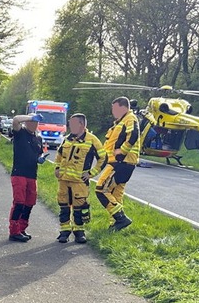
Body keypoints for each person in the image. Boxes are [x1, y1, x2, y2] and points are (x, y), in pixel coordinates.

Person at [53, 113, 108, 243]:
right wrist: (57, 168)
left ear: (82, 125)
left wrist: (91, 173)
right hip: (64, 180)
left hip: (80, 182)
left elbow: (103, 158)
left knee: (80, 208)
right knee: (64, 207)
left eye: (73, 124)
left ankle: (79, 232)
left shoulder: (92, 140)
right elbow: (59, 155)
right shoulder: (67, 139)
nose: (70, 126)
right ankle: (64, 232)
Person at [93, 97, 139, 230]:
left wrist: (121, 152)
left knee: (101, 189)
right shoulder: (120, 122)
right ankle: (115, 225)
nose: (113, 111)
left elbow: (134, 134)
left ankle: (121, 218)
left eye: (115, 108)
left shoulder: (130, 118)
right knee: (115, 194)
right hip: (122, 163)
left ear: (123, 107)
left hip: (120, 162)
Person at [8, 114, 46, 242]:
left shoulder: (38, 138)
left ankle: (22, 228)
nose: (34, 125)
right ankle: (14, 231)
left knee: (30, 203)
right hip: (19, 173)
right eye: (32, 122)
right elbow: (16, 120)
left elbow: (37, 154)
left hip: (32, 174)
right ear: (27, 122)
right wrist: (30, 117)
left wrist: (40, 159)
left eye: (36, 123)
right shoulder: (20, 133)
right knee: (19, 202)